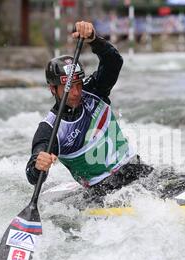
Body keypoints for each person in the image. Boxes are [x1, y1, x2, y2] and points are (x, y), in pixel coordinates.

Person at [25, 21, 153, 200]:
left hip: (135, 169)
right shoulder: (50, 128)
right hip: (104, 191)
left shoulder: (94, 91)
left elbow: (114, 62)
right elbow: (33, 174)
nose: (76, 92)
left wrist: (94, 40)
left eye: (78, 84)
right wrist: (38, 165)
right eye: (69, 87)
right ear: (53, 89)